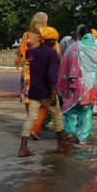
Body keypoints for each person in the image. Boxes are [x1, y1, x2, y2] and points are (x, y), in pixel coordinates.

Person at [17, 27, 70, 157]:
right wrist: (53, 92)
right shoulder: (51, 53)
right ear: (49, 40)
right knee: (57, 116)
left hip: (34, 90)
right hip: (46, 91)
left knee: (31, 118)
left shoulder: (33, 52)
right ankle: (61, 144)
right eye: (55, 40)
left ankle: (23, 148)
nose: (56, 42)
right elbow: (51, 74)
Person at [58, 24, 97, 145]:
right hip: (92, 87)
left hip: (76, 83)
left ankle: (69, 132)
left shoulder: (74, 46)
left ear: (80, 36)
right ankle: (82, 138)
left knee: (71, 110)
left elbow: (64, 64)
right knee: (86, 112)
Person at [16, 12, 60, 141]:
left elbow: (21, 52)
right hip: (43, 74)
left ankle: (31, 127)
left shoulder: (26, 35)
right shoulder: (48, 35)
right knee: (43, 104)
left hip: (28, 72)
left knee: (29, 101)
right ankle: (35, 129)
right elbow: (57, 55)